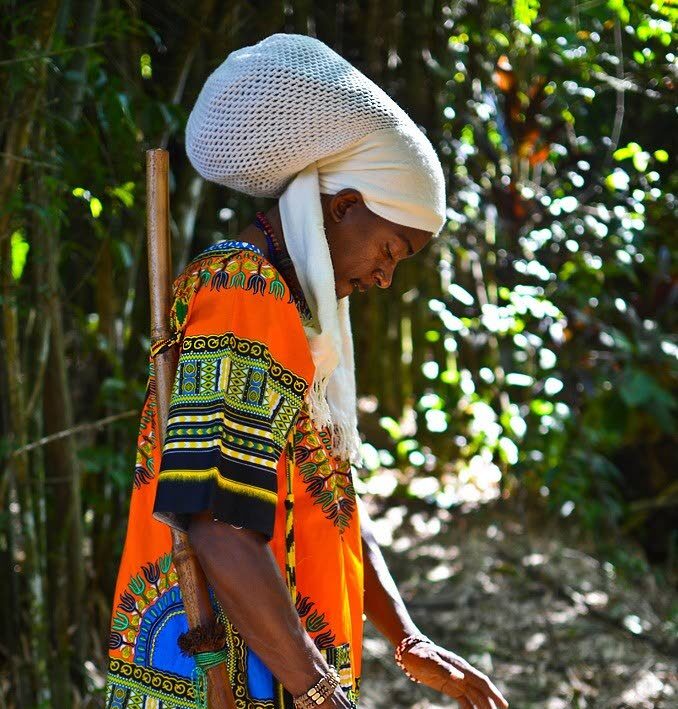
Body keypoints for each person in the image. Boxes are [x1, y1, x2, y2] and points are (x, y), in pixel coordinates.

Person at [105, 34, 508, 709]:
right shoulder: (243, 291)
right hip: (227, 678)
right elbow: (216, 517)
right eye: (390, 249)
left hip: (277, 671)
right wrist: (319, 690)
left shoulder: (290, 310)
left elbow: (328, 494)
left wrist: (407, 638)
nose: (383, 276)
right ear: (344, 206)